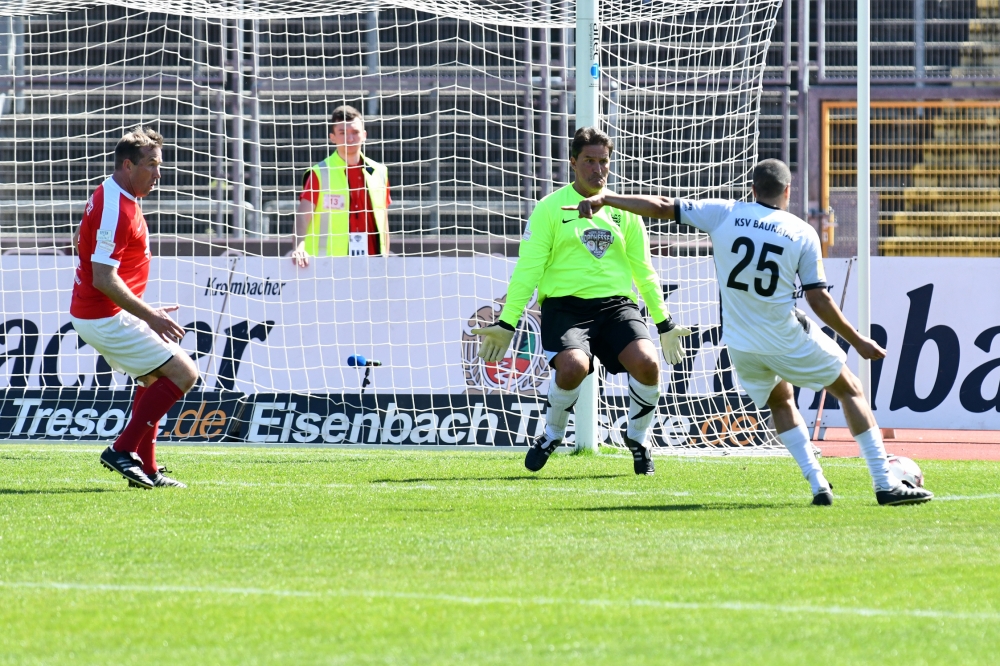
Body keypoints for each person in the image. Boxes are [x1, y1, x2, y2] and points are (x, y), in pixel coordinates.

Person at [564, 158, 933, 506]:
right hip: (783, 334)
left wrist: (607, 198)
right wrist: (857, 340)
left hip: (741, 344)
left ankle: (818, 482)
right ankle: (884, 483)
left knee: (781, 400)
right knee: (850, 389)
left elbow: (661, 205)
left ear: (752, 188)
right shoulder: (801, 232)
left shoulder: (725, 213)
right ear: (787, 192)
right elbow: (818, 299)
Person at [471, 127, 692, 475]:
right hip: (565, 307)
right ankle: (552, 434)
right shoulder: (549, 208)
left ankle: (638, 439)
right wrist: (507, 321)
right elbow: (528, 269)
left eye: (604, 161)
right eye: (589, 161)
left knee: (648, 363)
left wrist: (664, 323)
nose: (597, 169)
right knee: (574, 366)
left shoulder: (625, 211)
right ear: (573, 162)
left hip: (616, 307)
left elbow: (644, 270)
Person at [70, 127, 199, 489]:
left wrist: (140, 307)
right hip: (102, 315)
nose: (159, 174)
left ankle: (148, 469)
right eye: (152, 165)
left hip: (107, 311)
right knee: (184, 373)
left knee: (154, 377)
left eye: (160, 165)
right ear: (128, 165)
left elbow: (80, 239)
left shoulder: (114, 192)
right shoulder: (115, 207)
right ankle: (122, 450)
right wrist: (149, 315)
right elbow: (103, 278)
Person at [291, 105, 391, 265]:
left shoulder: (379, 172)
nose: (350, 139)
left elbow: (383, 218)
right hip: (328, 266)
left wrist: (385, 257)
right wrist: (299, 247)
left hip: (373, 263)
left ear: (364, 135)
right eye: (343, 133)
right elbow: (303, 215)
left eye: (355, 132)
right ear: (332, 137)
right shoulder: (320, 172)